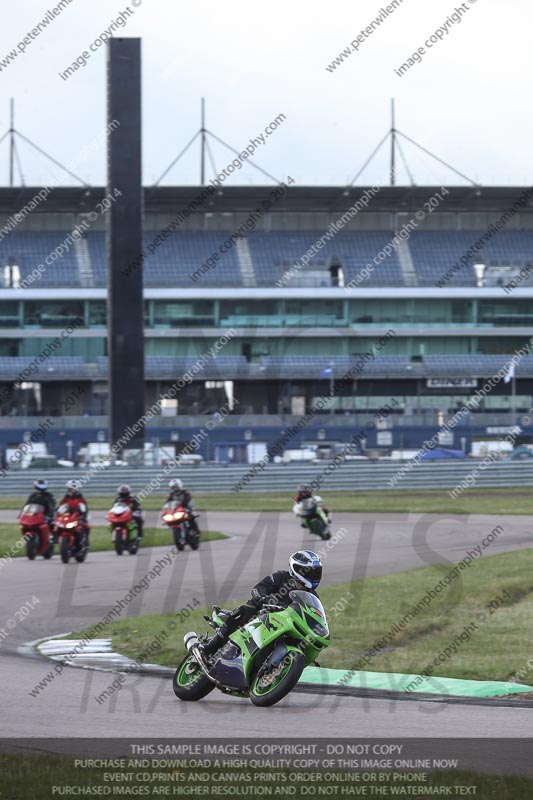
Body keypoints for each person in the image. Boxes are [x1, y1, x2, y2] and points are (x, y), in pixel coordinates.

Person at [200, 551, 323, 658]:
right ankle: (210, 647)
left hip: (284, 624)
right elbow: (257, 589)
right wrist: (266, 599)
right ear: (298, 569)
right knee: (243, 611)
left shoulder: (312, 596)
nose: (314, 576)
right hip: (259, 613)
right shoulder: (281, 576)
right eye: (311, 572)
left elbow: (314, 615)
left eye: (316, 572)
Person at [58, 479, 91, 547]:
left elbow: (84, 508)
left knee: (85, 525)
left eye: (74, 489)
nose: (73, 491)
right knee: (57, 525)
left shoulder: (81, 498)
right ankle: (53, 539)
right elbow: (60, 507)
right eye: (71, 489)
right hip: (67, 517)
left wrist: (83, 516)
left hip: (77, 517)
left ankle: (85, 540)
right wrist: (58, 513)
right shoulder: (66, 498)